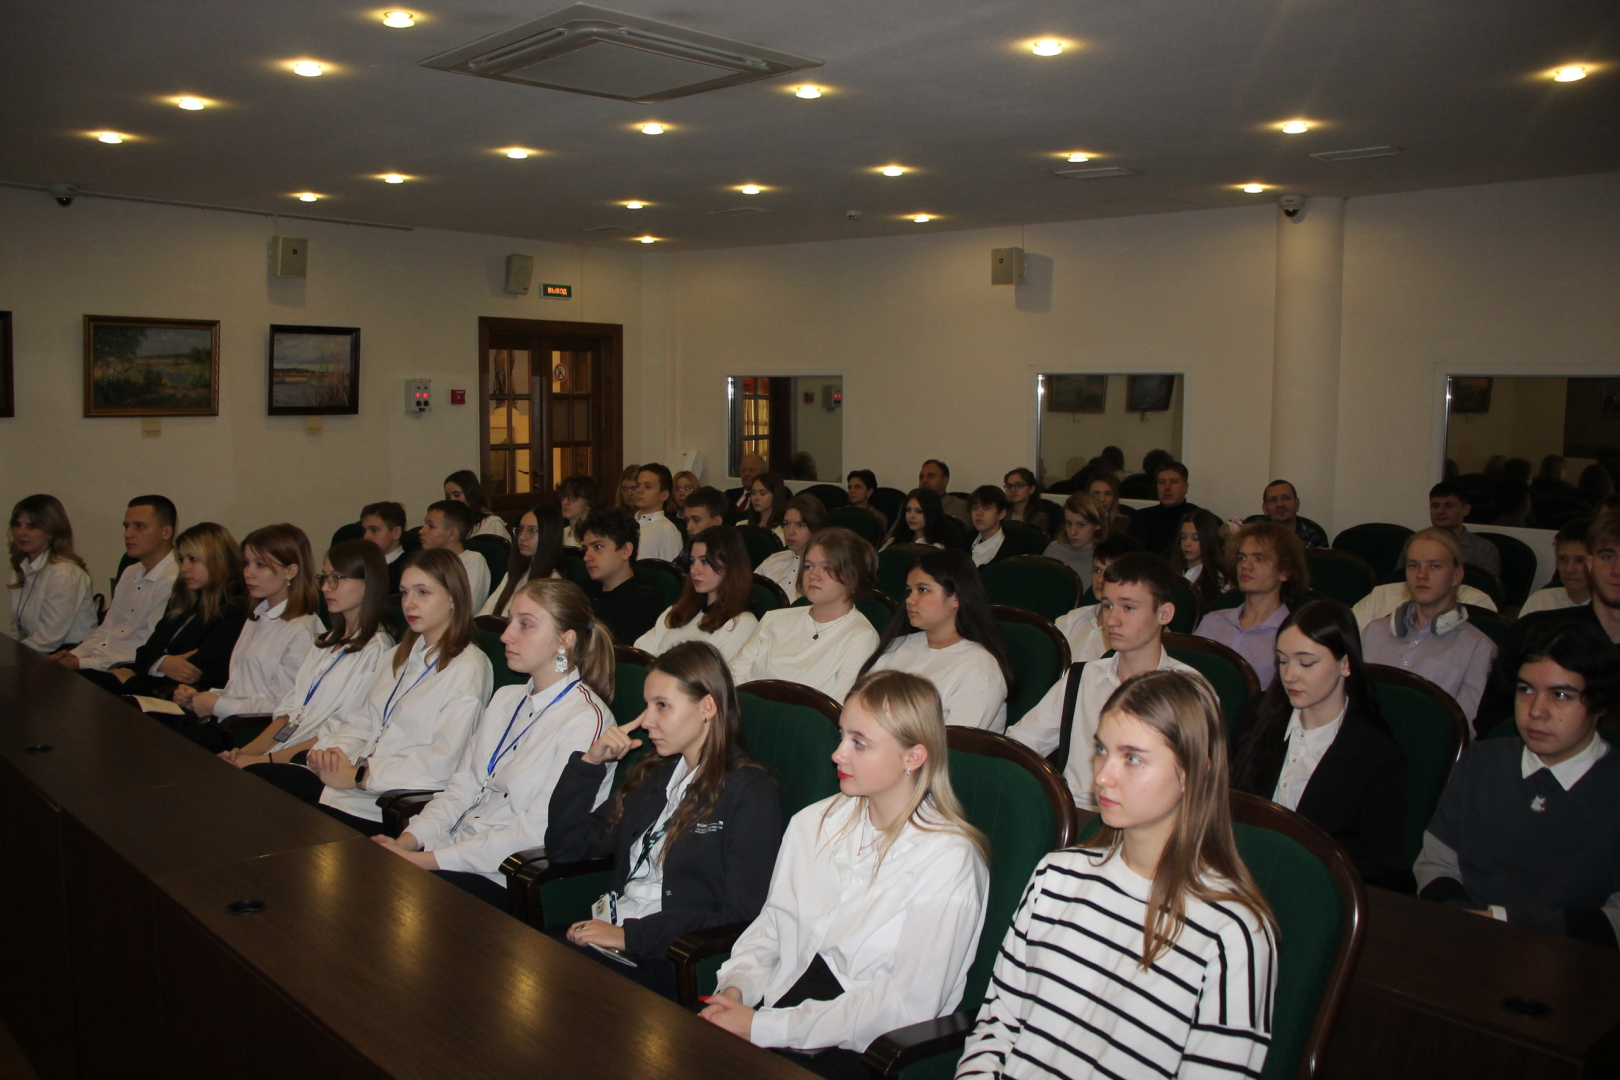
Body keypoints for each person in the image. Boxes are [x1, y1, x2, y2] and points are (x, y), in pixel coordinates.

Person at [957, 670, 1277, 1080]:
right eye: (1101, 750)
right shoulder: (1056, 877)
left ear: (1192, 772)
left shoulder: (1232, 932)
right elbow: (997, 1026)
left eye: (1132, 758)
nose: (1103, 776)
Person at [701, 670, 988, 1067]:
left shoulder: (948, 859)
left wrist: (765, 1027)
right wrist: (736, 988)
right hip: (782, 1009)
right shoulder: (814, 823)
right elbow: (772, 929)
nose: (838, 754)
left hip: (865, 1050)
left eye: (859, 743)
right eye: (841, 736)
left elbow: (907, 1005)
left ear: (913, 757)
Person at [372, 578, 620, 908]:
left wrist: (426, 860)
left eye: (525, 625)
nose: (506, 635)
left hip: (503, 875)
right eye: (509, 622)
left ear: (565, 640)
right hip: (450, 851)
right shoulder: (506, 698)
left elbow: (534, 831)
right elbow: (461, 789)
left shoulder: (585, 722)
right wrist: (406, 842)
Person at [553, 641, 782, 995]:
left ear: (707, 707)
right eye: (647, 706)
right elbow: (567, 848)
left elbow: (741, 914)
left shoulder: (749, 792)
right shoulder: (654, 775)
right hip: (611, 934)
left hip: (670, 957)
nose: (647, 721)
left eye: (662, 705)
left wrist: (630, 936)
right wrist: (590, 764)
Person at [1414, 617, 1620, 947]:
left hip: (1571, 958)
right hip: (1460, 938)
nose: (1536, 710)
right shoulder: (1480, 762)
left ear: (1599, 702)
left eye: (1560, 695)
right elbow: (1435, 863)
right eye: (1526, 690)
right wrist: (1461, 919)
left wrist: (1502, 922)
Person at [276, 548, 493, 835]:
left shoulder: (468, 666)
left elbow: (443, 765)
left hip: (392, 805)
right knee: (266, 791)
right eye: (404, 593)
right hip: (348, 789)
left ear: (453, 598)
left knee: (283, 819)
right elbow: (363, 722)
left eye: (422, 592)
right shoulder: (396, 656)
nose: (409, 603)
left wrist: (360, 776)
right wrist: (330, 752)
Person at [1231, 600, 1410, 888]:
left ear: (1346, 664)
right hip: (1241, 876)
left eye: (1306, 663)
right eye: (1283, 661)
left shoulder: (1378, 755)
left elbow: (1380, 864)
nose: (1289, 676)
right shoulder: (1259, 715)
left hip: (1316, 889)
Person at [1007, 554, 1204, 809]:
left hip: (1149, 817)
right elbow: (1022, 744)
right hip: (1075, 811)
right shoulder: (1084, 677)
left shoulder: (1189, 689)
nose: (1111, 620)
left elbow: (1197, 782)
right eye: (1108, 606)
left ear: (1164, 614)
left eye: (1128, 608)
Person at [220, 540, 394, 769]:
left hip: (317, 763)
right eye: (324, 577)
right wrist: (244, 753)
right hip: (284, 751)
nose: (326, 587)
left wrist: (261, 761)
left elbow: (340, 733)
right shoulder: (325, 642)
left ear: (368, 582)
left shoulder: (377, 652)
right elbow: (290, 711)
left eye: (337, 578)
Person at [171, 524, 323, 739]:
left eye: (260, 565)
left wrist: (217, 705)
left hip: (255, 733)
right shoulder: (257, 616)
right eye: (246, 563)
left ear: (290, 571)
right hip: (230, 723)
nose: (248, 573)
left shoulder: (301, 631)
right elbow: (243, 689)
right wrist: (203, 698)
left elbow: (286, 707)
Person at [78, 522, 247, 701]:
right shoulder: (183, 600)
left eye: (193, 559)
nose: (184, 568)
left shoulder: (235, 610)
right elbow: (145, 651)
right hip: (153, 685)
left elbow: (194, 675)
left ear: (219, 560)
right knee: (83, 679)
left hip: (181, 699)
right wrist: (163, 662)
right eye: (181, 559)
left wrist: (133, 681)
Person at [862, 549, 1014, 731]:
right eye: (909, 591)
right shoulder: (898, 645)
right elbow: (860, 703)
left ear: (956, 598)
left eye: (923, 590)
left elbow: (952, 743)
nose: (910, 600)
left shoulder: (981, 667)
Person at [1361, 527, 1497, 723]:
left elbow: (1464, 727)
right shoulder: (1374, 631)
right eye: (1413, 565)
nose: (1421, 575)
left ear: (1457, 575)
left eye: (1435, 566)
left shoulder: (1479, 649)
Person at [732, 529, 881, 702]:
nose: (813, 575)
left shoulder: (862, 637)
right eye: (809, 566)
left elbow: (842, 704)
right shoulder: (774, 619)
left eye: (827, 568)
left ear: (853, 577)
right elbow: (733, 676)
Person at [56, 495, 177, 672]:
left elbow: (150, 650)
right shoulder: (130, 572)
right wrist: (74, 655)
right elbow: (106, 630)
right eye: (126, 526)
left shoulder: (174, 580)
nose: (127, 534)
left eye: (139, 526)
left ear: (166, 532)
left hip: (128, 669)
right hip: (100, 661)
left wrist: (81, 663)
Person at [1193, 522, 1308, 690]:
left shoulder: (1294, 634)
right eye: (1242, 558)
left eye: (1259, 558)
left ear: (1285, 572)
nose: (1245, 565)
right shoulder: (1213, 621)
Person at [637, 526, 759, 662]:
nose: (694, 570)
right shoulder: (679, 610)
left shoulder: (742, 624)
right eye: (692, 561)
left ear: (730, 566)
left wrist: (660, 658)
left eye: (704, 561)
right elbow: (639, 654)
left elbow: (712, 672)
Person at [6, 494, 97, 652]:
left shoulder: (63, 573)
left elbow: (49, 639)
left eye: (31, 526)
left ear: (52, 532)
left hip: (69, 654)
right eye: (17, 525)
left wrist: (11, 655)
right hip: (36, 652)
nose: (21, 532)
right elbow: (17, 630)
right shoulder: (22, 569)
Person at [580, 508, 664, 644]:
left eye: (598, 547)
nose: (586, 557)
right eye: (585, 549)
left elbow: (624, 652)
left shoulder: (643, 599)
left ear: (626, 550)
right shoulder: (582, 589)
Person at [1054, 535, 1137, 663]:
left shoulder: (1133, 633)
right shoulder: (1072, 619)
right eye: (1097, 570)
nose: (1100, 580)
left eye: (1109, 573)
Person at [480, 505, 565, 618]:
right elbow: (483, 616)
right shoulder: (514, 575)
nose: (522, 536)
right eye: (521, 529)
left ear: (549, 535)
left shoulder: (552, 582)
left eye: (532, 530)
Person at [421, 499, 491, 612]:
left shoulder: (474, 561)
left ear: (452, 534)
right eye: (424, 524)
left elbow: (466, 609)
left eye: (431, 526)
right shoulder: (426, 560)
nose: (421, 531)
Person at [757, 496, 828, 603]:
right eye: (787, 524)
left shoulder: (827, 568)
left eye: (800, 525)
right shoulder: (773, 560)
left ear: (816, 528)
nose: (790, 532)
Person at [1428, 481, 1502, 578]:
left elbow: (1488, 586)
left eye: (1449, 506)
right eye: (1435, 506)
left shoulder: (1484, 549)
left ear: (1466, 509)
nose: (1440, 511)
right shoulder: (1416, 544)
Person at [1520, 518, 1592, 617]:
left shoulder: (1610, 610)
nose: (1569, 569)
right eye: (1563, 559)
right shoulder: (1540, 601)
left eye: (1580, 560)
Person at [1128, 460, 1198, 558]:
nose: (1167, 487)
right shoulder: (1141, 517)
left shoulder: (1197, 518)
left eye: (1174, 482)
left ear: (1185, 487)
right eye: (1161, 482)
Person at [1233, 479, 1329, 549]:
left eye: (1286, 498)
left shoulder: (1314, 537)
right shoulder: (1253, 524)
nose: (1280, 504)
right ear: (1265, 508)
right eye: (1273, 500)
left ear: (1297, 504)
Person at [1173, 507, 1229, 611]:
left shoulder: (1219, 578)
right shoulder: (1170, 569)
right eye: (1183, 537)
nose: (1187, 543)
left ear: (1208, 539)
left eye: (1195, 538)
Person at [1041, 491, 1101, 582]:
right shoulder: (1054, 549)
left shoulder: (1104, 558)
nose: (1073, 532)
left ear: (1097, 525)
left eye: (1081, 525)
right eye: (1068, 523)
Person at [632, 463, 685, 562]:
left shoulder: (668, 531)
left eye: (647, 486)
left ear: (663, 495)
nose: (639, 490)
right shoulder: (626, 523)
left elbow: (672, 570)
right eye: (638, 485)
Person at [360, 501, 409, 592]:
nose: (366, 537)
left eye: (374, 530)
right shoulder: (360, 564)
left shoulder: (407, 571)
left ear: (396, 533)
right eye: (364, 531)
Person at [444, 469, 508, 539]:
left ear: (471, 494)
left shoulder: (490, 523)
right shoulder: (454, 523)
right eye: (448, 497)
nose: (452, 500)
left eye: (457, 495)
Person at [880, 489, 949, 550]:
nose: (911, 516)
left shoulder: (936, 548)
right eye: (908, 510)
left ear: (931, 513)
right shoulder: (894, 541)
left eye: (918, 511)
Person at [967, 485, 1014, 567]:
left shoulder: (1011, 551)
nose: (979, 513)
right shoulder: (966, 541)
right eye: (974, 508)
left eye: (986, 508)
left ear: (1002, 514)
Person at [918, 459, 971, 528]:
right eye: (921, 477)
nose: (924, 481)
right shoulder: (911, 506)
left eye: (931, 476)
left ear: (944, 481)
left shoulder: (959, 506)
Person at [557, 475, 605, 550]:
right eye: (563, 497)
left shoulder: (597, 536)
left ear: (590, 503)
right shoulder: (558, 534)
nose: (565, 502)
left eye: (573, 498)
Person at [1002, 468, 1049, 534]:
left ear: (1031, 489)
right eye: (1009, 486)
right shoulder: (1002, 514)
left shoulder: (1039, 517)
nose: (1013, 490)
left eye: (1019, 485)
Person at [1087, 472, 1133, 537]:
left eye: (1108, 494)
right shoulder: (1077, 520)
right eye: (1096, 493)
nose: (1102, 499)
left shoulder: (1124, 524)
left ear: (1115, 498)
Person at [746, 472, 790, 539]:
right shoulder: (741, 525)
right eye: (753, 493)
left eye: (762, 493)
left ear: (775, 495)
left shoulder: (783, 530)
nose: (756, 498)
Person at [845, 470, 888, 536]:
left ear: (869, 491)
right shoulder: (843, 513)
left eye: (857, 487)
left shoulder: (877, 517)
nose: (851, 491)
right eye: (849, 487)